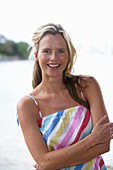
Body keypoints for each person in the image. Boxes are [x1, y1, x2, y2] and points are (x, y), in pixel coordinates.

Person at [17, 23, 113, 170]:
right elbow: (44, 162)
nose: (54, 58)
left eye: (61, 51)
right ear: (37, 56)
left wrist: (52, 163)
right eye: (47, 51)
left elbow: (104, 145)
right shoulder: (27, 105)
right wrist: (92, 139)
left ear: (68, 55)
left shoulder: (87, 86)